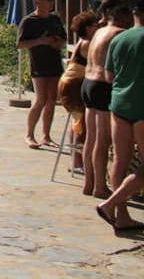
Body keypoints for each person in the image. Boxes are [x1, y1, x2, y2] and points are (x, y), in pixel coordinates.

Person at [96, 0, 144, 233]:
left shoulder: (118, 38)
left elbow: (109, 76)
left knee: (120, 161)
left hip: (119, 104)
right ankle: (110, 204)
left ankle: (122, 216)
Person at [81, 0, 132, 198]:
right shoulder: (119, 33)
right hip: (102, 85)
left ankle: (89, 183)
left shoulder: (99, 32)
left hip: (87, 83)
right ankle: (100, 186)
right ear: (122, 17)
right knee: (102, 141)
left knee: (90, 138)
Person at [17, 0, 67, 149]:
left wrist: (56, 42)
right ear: (38, 1)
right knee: (41, 99)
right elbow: (20, 43)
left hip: (54, 63)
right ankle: (29, 134)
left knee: (52, 100)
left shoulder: (55, 19)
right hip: (38, 64)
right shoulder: (29, 21)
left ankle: (46, 136)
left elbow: (63, 39)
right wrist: (40, 41)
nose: (50, 2)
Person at [59, 11, 98, 174]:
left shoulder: (82, 41)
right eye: (95, 24)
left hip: (70, 82)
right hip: (75, 85)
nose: (98, 26)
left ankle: (74, 161)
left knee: (77, 121)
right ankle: (77, 162)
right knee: (80, 124)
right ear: (88, 28)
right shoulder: (88, 43)